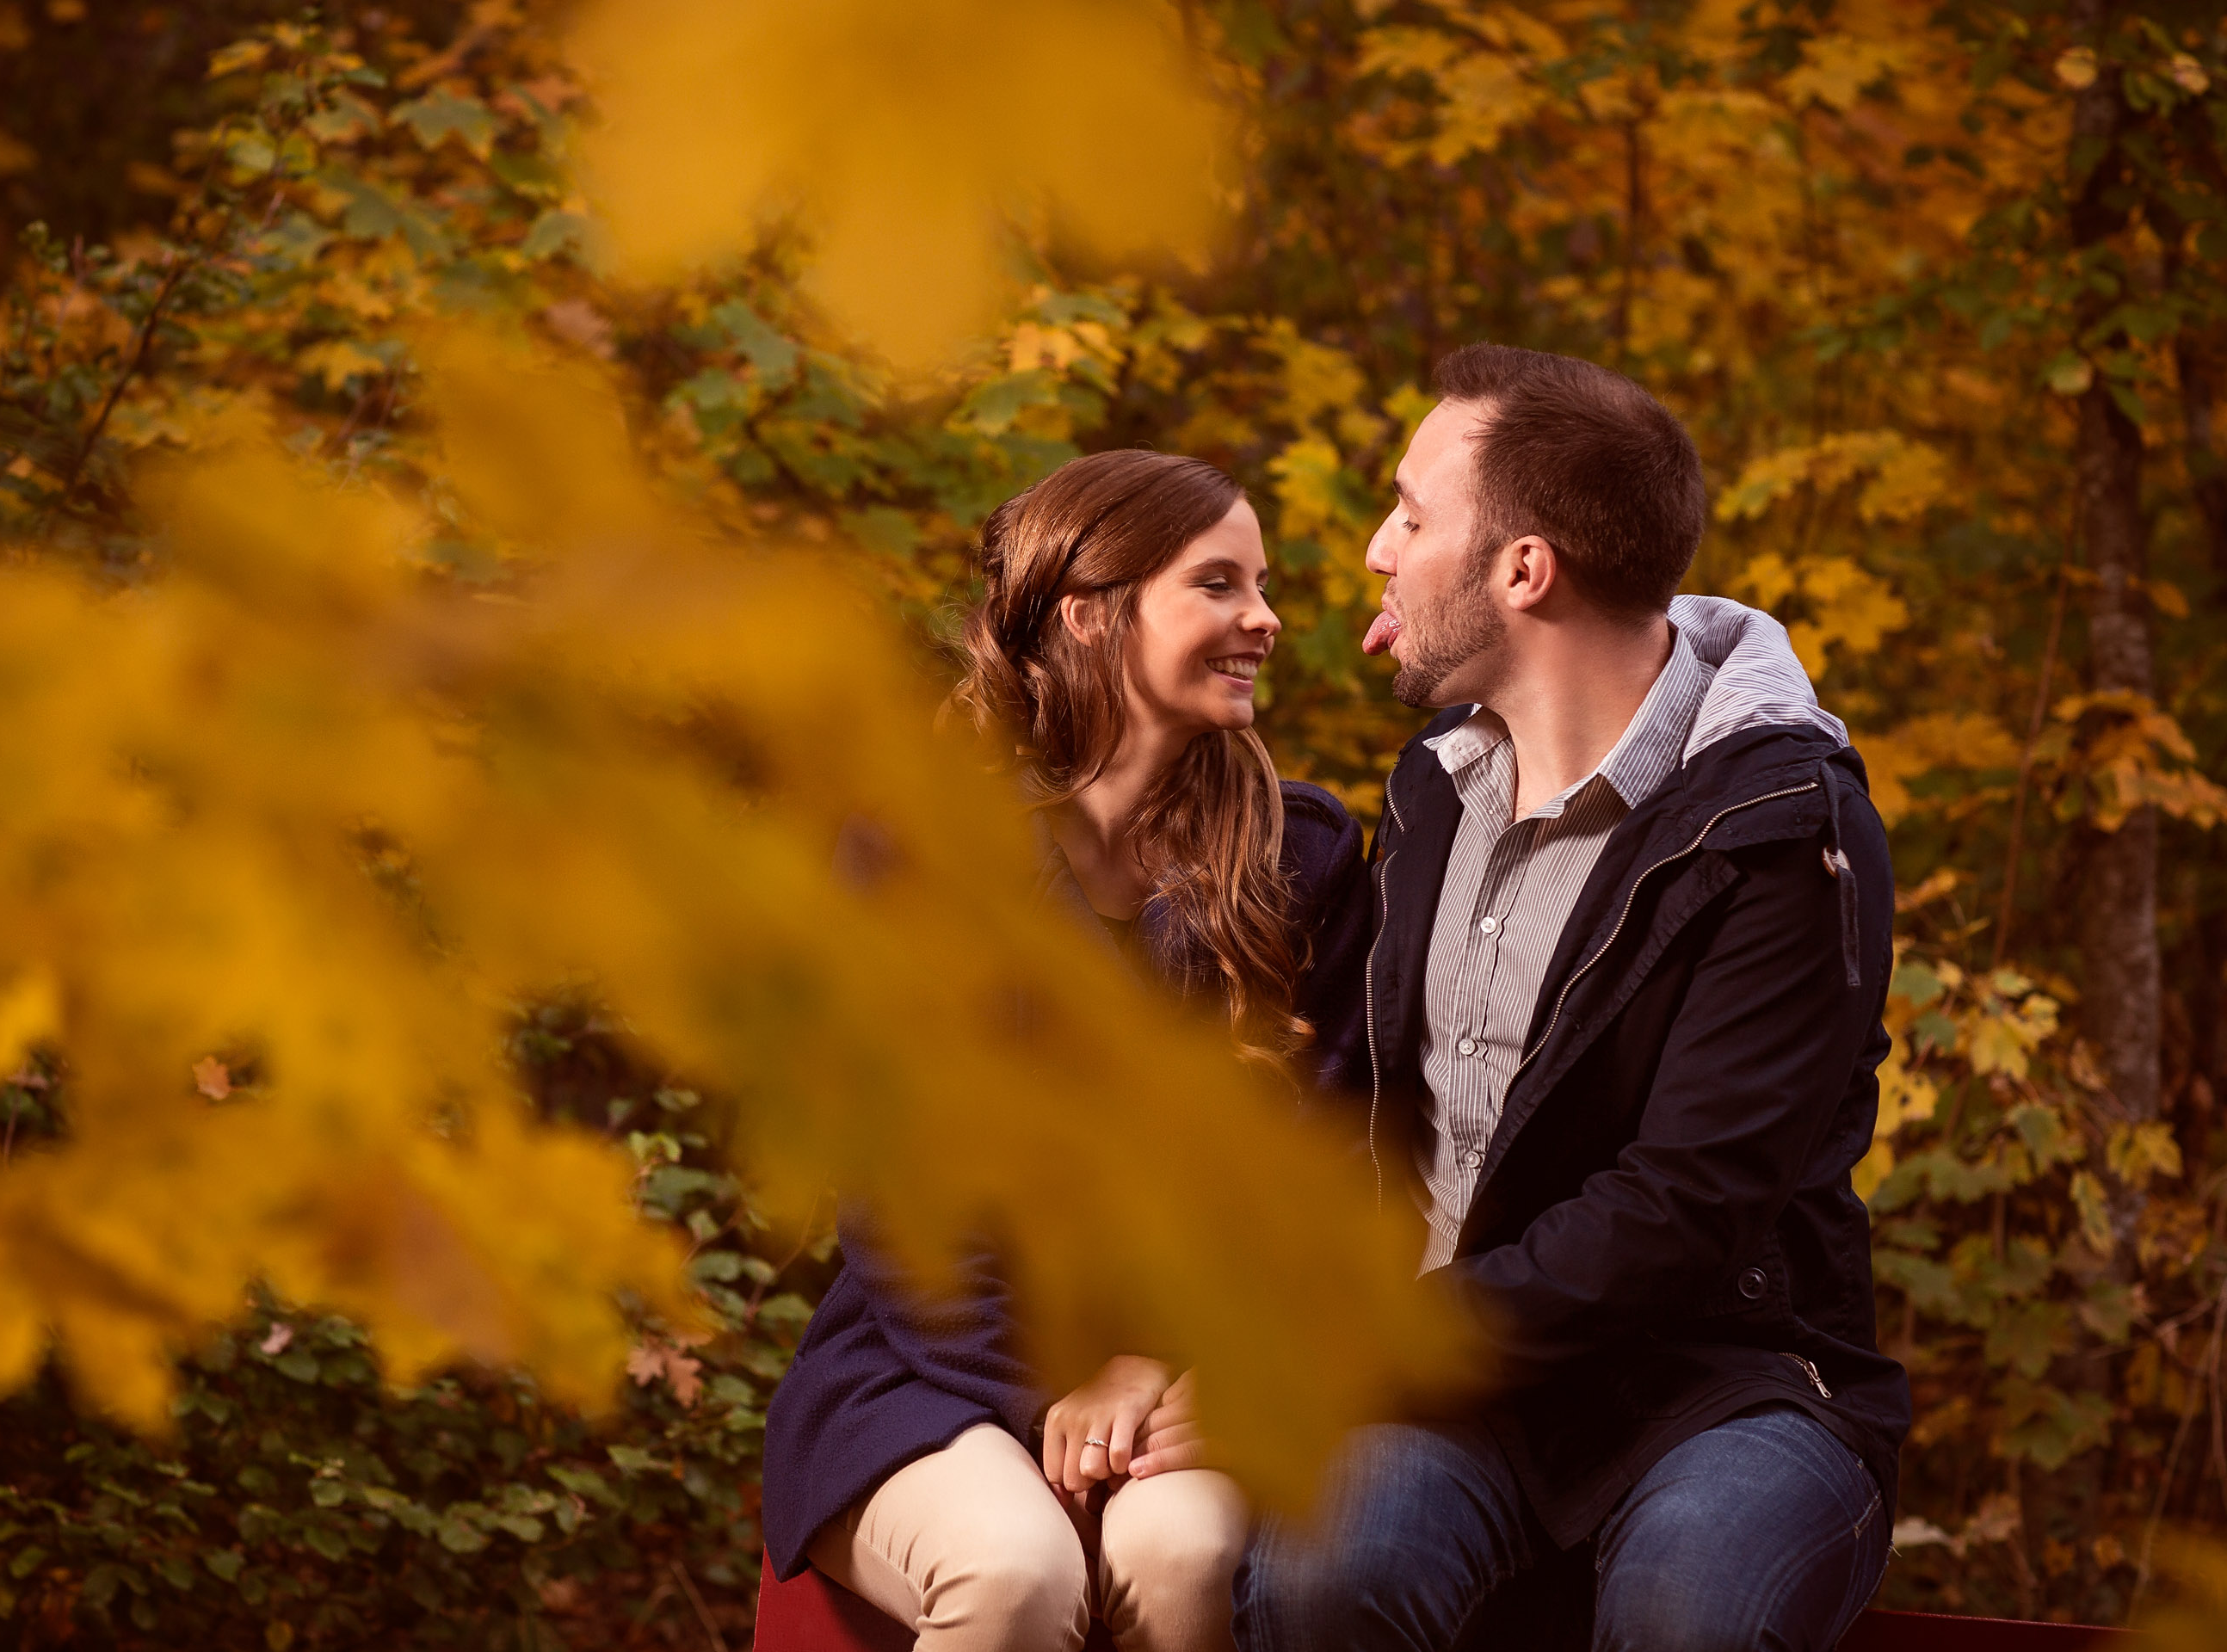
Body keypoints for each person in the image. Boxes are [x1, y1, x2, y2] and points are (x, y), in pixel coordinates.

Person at [1234, 346, 1909, 1652]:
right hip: (1455, 1397)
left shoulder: (1782, 825)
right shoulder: (1432, 787)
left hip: (1727, 1385)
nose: (1379, 550)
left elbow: (1683, 1210)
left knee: (1688, 1613)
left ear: (1524, 570)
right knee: (1323, 1579)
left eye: (1413, 514)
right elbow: (1369, 1109)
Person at [762, 449, 1374, 1652]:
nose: (1267, 617)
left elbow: (1332, 1166)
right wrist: (1059, 1396)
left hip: (1193, 1373)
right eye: (1218, 584)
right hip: (930, 1366)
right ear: (1093, 615)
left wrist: (1173, 1368)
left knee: (1184, 1552)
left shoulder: (1301, 860)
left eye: (1262, 583)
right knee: (1013, 1571)